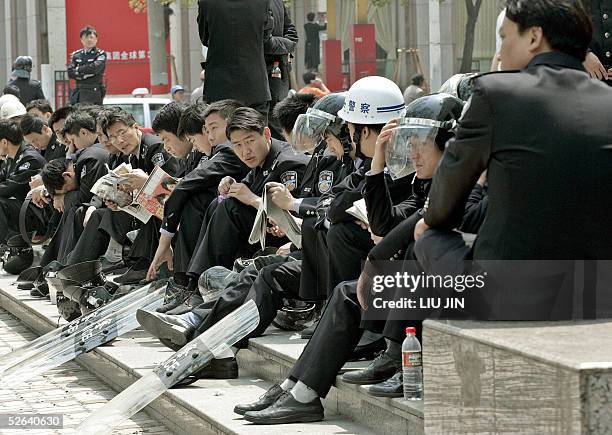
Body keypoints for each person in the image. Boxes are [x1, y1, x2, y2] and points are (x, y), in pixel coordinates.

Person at [414, 0, 612, 320]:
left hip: (513, 294)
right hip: (600, 293)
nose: (501, 51)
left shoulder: (496, 94)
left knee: (428, 234)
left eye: (505, 38)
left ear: (534, 37)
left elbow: (442, 208)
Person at [146, 101, 249, 291]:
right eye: (208, 130)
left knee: (194, 202)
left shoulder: (226, 151)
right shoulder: (208, 153)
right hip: (230, 216)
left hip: (240, 220)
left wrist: (164, 242)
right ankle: (181, 280)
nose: (210, 137)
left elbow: (183, 187)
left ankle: (187, 282)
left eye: (213, 128)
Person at [197, 0, 272, 117]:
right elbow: (266, 37)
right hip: (254, 85)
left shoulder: (206, 2)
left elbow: (204, 37)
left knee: (220, 132)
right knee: (255, 132)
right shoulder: (263, 2)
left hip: (218, 87)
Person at [0, 119, 48, 247]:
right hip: (23, 210)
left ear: (4, 142)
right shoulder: (12, 157)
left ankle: (2, 246)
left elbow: (10, 188)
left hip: (38, 215)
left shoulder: (30, 158)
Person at [265, 0, 298, 141]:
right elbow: (265, 41)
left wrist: (282, 45)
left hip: (278, 73)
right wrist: (285, 46)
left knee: (277, 124)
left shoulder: (277, 2)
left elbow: (292, 35)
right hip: (260, 74)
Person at [67, 26, 107, 105]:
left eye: (91, 37)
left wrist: (78, 70)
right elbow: (70, 72)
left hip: (93, 93)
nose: (89, 40)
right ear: (81, 40)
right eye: (86, 37)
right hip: (78, 93)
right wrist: (84, 74)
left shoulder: (100, 54)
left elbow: (94, 68)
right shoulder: (76, 55)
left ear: (96, 39)